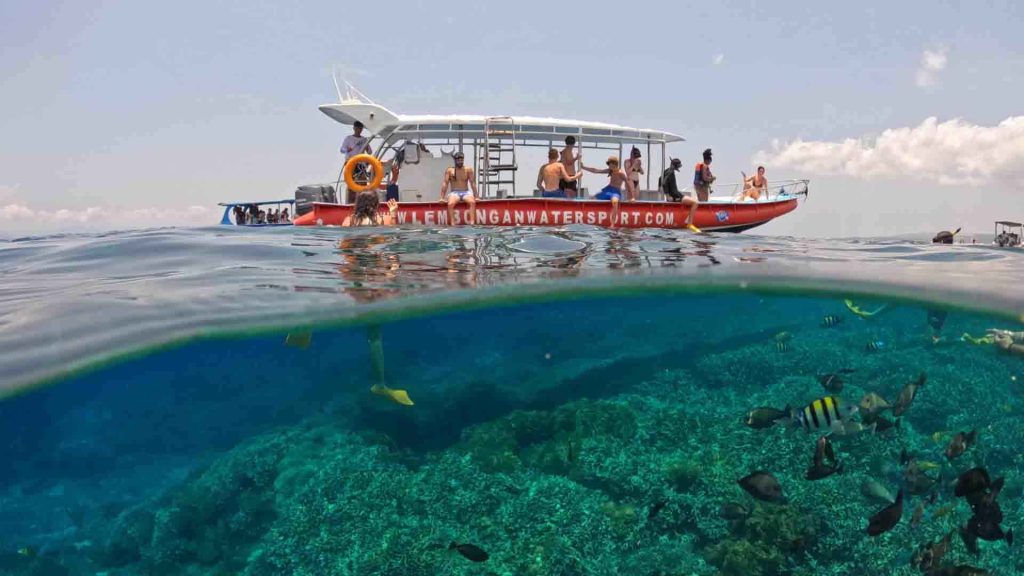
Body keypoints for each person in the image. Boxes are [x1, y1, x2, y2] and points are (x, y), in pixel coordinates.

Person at [581, 156, 629, 225]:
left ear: (614, 164)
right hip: (608, 189)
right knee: (593, 198)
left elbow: (628, 183)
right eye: (608, 164)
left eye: (609, 164)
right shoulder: (610, 171)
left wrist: (632, 196)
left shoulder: (621, 173)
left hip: (615, 191)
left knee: (615, 202)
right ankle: (588, 217)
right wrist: (583, 167)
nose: (608, 166)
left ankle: (612, 223)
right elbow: (596, 171)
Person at [660, 157, 702, 233]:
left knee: (691, 199)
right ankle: (689, 224)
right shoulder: (671, 172)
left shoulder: (666, 170)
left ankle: (688, 221)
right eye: (678, 166)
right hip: (676, 196)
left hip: (676, 194)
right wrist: (667, 196)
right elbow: (664, 183)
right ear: (675, 165)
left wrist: (661, 190)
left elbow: (660, 179)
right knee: (695, 203)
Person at [439, 151, 478, 225]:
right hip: (454, 193)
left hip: (466, 192)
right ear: (455, 160)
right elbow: (445, 183)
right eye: (458, 160)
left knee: (472, 202)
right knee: (450, 204)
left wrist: (476, 196)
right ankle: (453, 224)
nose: (460, 162)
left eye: (461, 160)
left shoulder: (468, 169)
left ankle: (472, 223)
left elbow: (472, 183)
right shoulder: (450, 170)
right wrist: (442, 197)